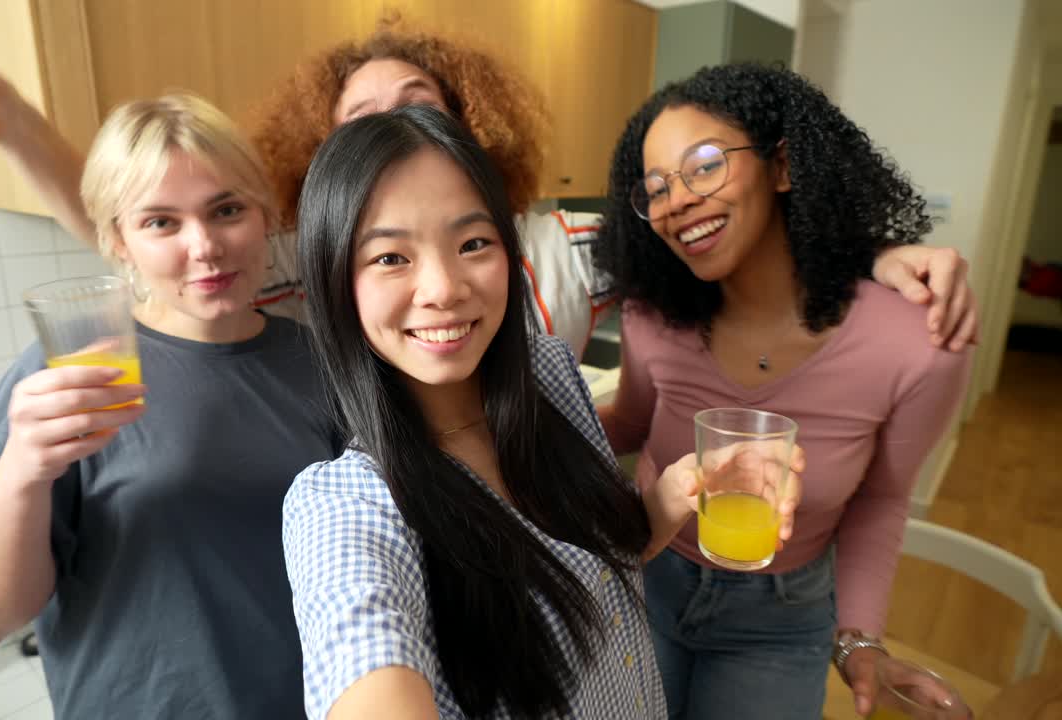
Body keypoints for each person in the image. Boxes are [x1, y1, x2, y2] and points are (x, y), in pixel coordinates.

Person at [0, 9, 978, 356]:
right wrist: (0, 118)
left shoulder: (549, 239)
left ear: (471, 125)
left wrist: (872, 248)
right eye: (360, 124)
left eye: (418, 110)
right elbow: (114, 222)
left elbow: (714, 240)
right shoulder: (300, 256)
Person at [284, 103, 745, 719]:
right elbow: (361, 645)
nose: (445, 288)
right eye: (391, 257)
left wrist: (672, 496)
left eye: (473, 243)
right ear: (336, 281)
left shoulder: (549, 376)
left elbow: (602, 561)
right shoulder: (348, 505)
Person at [0, 93, 339, 718]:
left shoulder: (320, 363)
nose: (205, 246)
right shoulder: (68, 375)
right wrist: (25, 470)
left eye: (226, 210)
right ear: (117, 240)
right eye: (161, 222)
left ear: (268, 213)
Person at [593, 63, 974, 719]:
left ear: (783, 166)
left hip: (781, 622)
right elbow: (627, 424)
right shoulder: (652, 317)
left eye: (705, 164)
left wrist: (858, 641)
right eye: (654, 188)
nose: (675, 200)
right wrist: (498, 442)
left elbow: (881, 497)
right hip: (647, 582)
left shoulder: (917, 343)